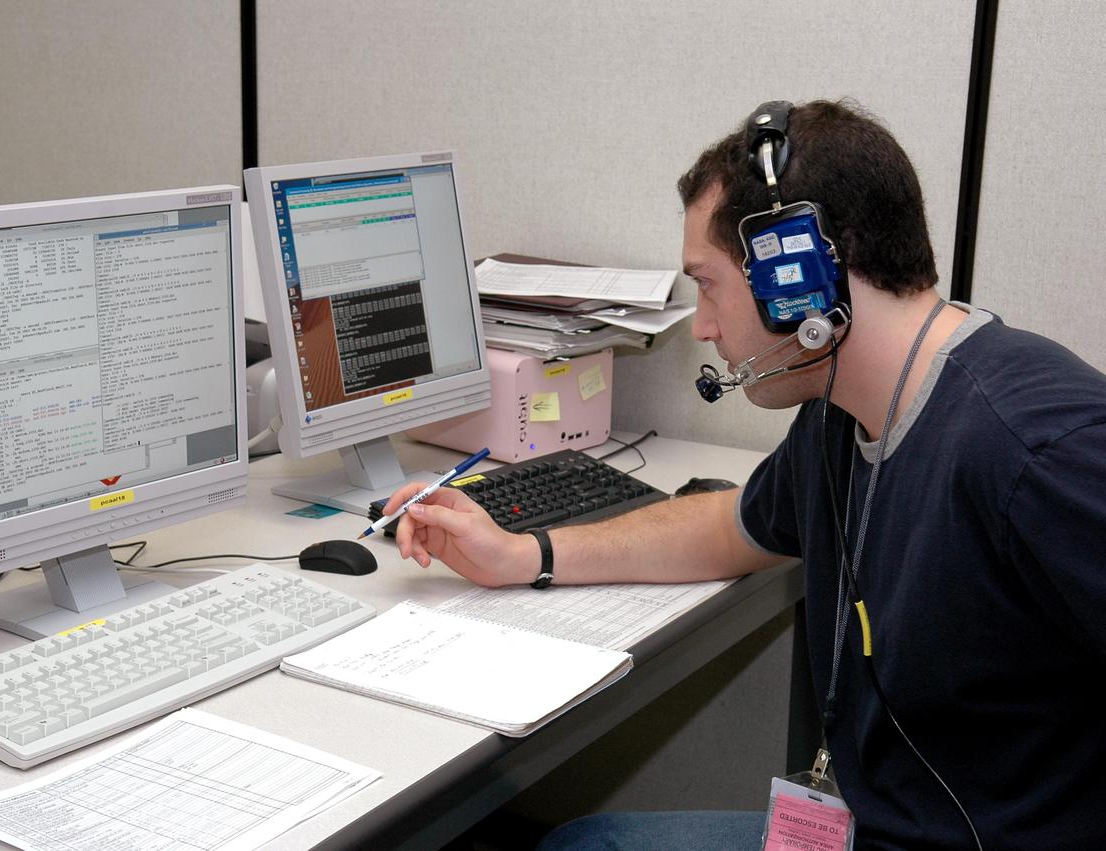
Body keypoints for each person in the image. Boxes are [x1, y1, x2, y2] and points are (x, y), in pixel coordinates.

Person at [384, 99, 1106, 850]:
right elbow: (731, 526)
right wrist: (525, 554)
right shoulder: (842, 412)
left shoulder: (1036, 446)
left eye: (709, 284)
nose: (701, 325)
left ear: (800, 273)